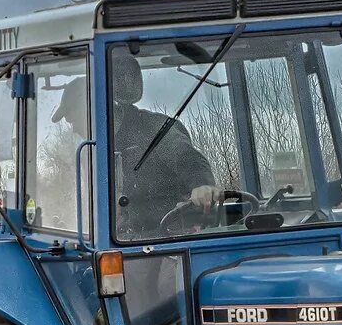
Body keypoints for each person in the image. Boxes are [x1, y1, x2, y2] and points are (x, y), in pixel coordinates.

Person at [53, 52, 239, 237]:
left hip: (168, 238)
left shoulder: (153, 128)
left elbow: (186, 156)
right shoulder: (93, 151)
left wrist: (202, 185)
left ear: (94, 110)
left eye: (74, 120)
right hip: (122, 239)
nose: (74, 129)